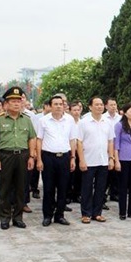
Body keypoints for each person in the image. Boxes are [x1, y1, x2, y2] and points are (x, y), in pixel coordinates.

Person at [0, 87, 37, 230]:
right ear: (6, 104)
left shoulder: (27, 120)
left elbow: (32, 138)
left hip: (22, 155)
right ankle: (4, 218)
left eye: (18, 101)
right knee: (4, 188)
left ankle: (18, 217)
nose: (16, 104)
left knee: (21, 188)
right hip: (5, 156)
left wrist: (31, 156)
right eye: (13, 101)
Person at [36, 95, 77, 227]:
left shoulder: (69, 120)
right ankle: (47, 215)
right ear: (50, 106)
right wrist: (39, 159)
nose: (59, 106)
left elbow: (72, 140)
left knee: (63, 188)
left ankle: (60, 215)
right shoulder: (43, 120)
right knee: (48, 188)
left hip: (64, 157)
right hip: (48, 157)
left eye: (61, 104)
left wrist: (73, 158)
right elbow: (39, 140)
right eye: (56, 104)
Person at [77, 97, 115, 224]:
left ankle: (97, 213)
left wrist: (111, 158)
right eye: (96, 105)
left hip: (103, 160)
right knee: (86, 188)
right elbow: (79, 142)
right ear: (90, 107)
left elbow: (110, 141)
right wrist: (81, 160)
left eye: (101, 105)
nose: (99, 107)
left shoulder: (107, 122)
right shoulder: (84, 122)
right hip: (88, 160)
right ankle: (86, 213)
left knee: (100, 188)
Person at [104, 97, 122, 204]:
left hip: (117, 148)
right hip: (105, 148)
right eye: (111, 105)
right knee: (106, 175)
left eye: (115, 104)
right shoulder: (103, 118)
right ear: (106, 106)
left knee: (116, 174)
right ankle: (102, 197)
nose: (113, 107)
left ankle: (114, 193)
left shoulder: (120, 118)